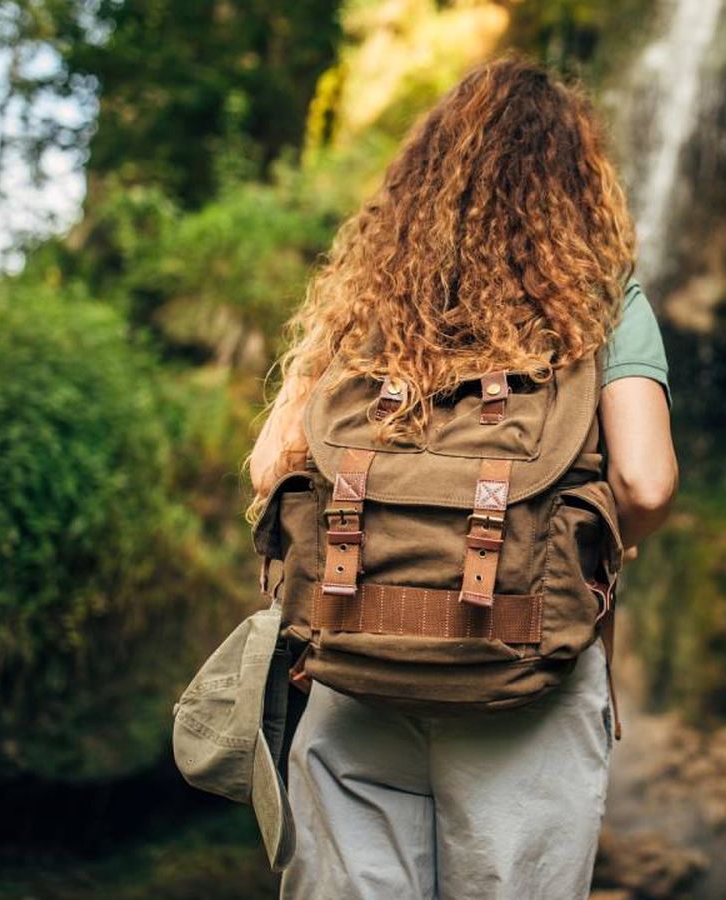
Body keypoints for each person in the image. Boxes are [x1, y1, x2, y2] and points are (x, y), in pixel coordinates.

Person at [244, 57, 679, 899]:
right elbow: (649, 483)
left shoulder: (369, 297)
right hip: (524, 680)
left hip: (355, 670)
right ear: (577, 185)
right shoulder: (600, 298)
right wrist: (596, 549)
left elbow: (271, 466)